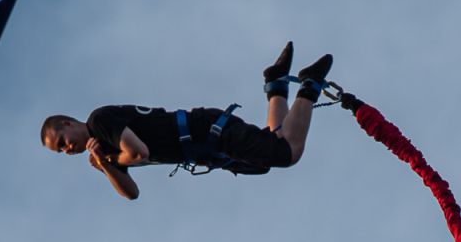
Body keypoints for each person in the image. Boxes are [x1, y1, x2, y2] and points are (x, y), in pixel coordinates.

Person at [39, 43, 332, 201]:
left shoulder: (98, 122)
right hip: (208, 145)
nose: (67, 150)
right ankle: (276, 84)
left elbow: (139, 152)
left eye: (62, 142)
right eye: (60, 151)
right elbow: (131, 193)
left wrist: (111, 159)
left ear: (68, 123)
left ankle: (309, 84)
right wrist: (107, 167)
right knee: (269, 154)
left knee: (287, 153)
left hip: (207, 130)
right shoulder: (104, 149)